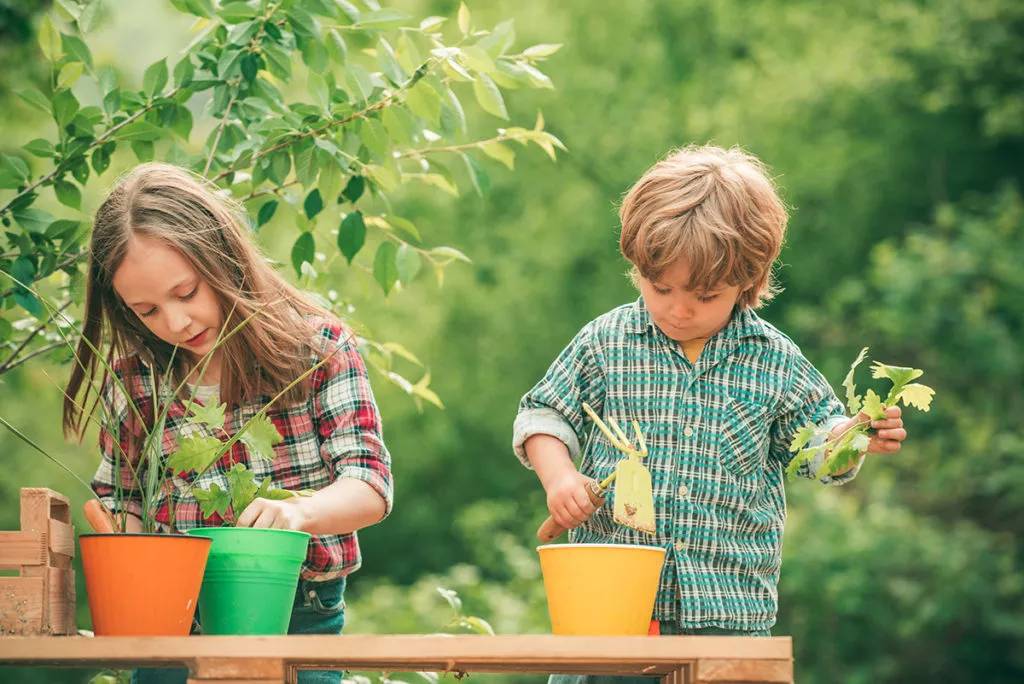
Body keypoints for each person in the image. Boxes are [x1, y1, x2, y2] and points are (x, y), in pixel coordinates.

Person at [513, 144, 907, 682]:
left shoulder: (774, 360)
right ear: (637, 268)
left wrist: (855, 437)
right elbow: (544, 414)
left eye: (704, 294)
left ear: (747, 281)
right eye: (662, 288)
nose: (679, 308)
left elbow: (818, 451)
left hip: (727, 620)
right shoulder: (606, 342)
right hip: (611, 615)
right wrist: (558, 478)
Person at [63, 162, 393, 684]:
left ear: (224, 260)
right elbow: (121, 499)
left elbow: (370, 486)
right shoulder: (135, 377)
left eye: (187, 293)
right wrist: (131, 564)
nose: (176, 323)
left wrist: (300, 513)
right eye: (146, 310)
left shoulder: (317, 349)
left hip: (297, 616)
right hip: (170, 625)